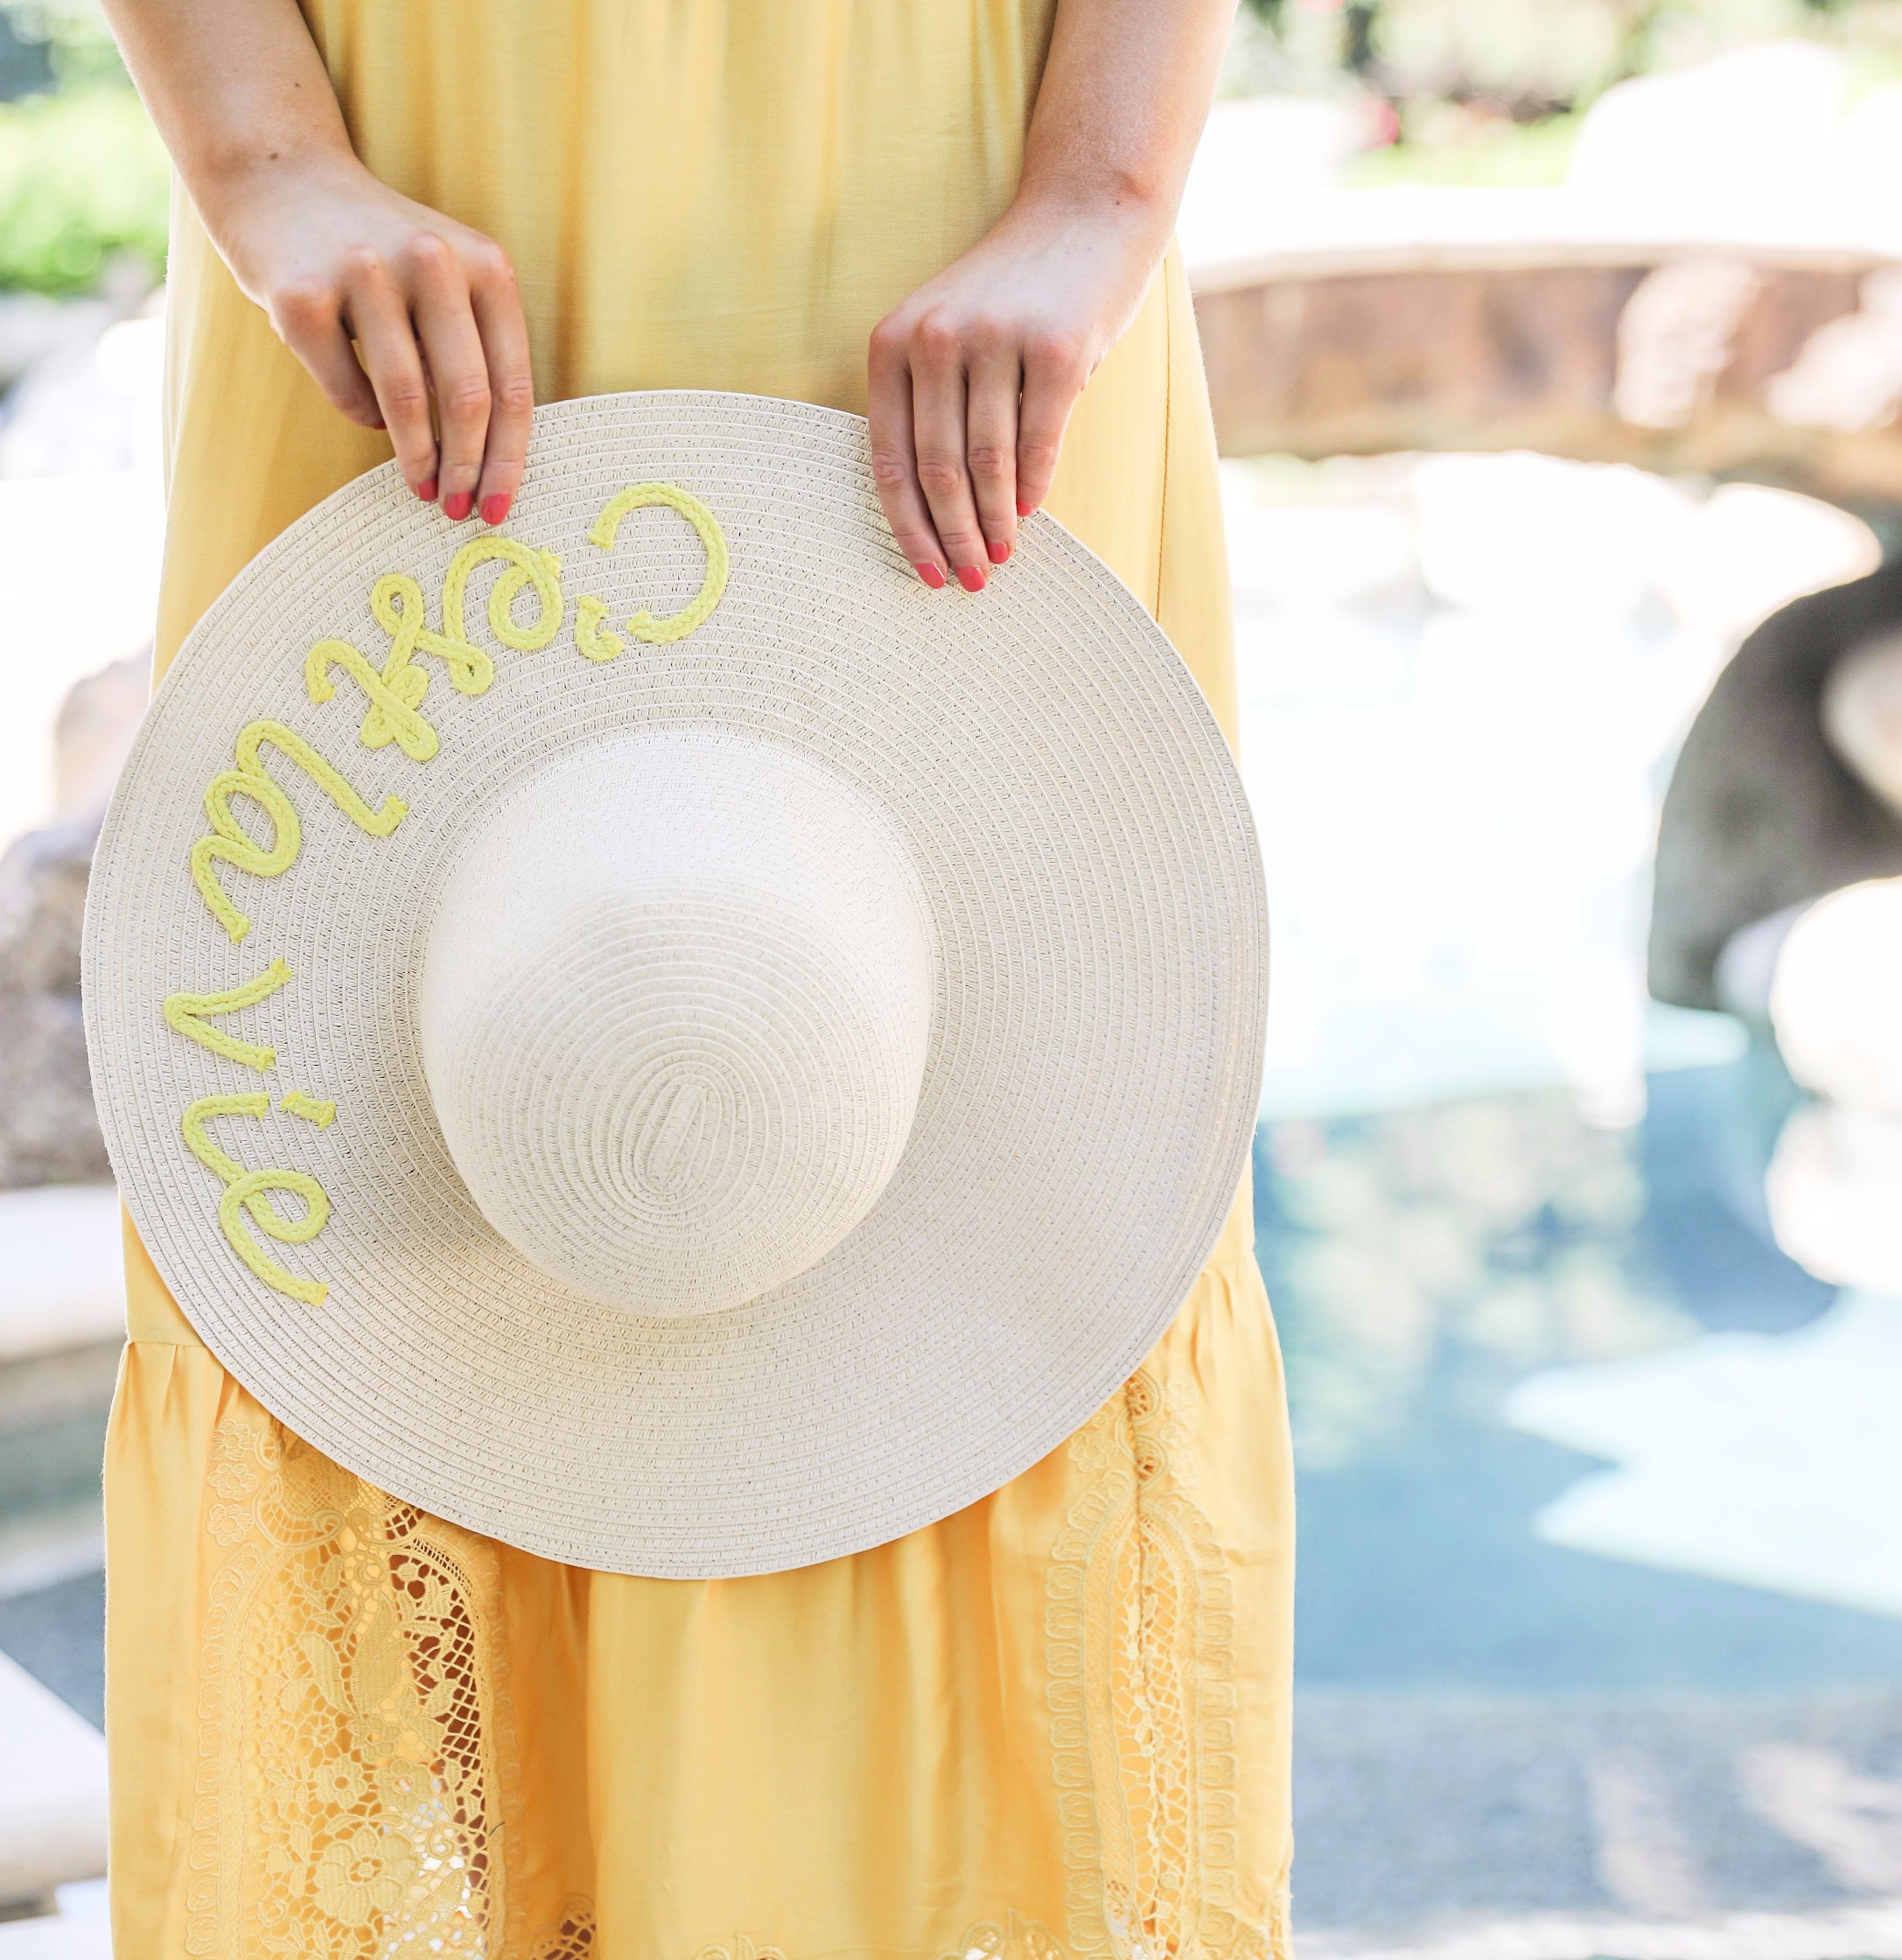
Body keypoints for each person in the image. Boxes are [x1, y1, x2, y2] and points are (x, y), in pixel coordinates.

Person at [93, 2, 1296, 1952]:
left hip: (954, 192)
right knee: (427, 1158)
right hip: (390, 180)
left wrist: (1102, 189)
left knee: (934, 1164)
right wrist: (265, 162)